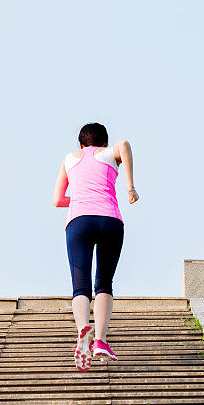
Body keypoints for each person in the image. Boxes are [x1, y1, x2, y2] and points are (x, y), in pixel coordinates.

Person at [52, 122, 139, 371]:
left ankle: (83, 331)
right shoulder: (108, 154)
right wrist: (130, 187)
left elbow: (58, 199)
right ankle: (100, 340)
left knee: (80, 286)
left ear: (80, 144)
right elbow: (123, 145)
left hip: (79, 222)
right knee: (104, 283)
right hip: (110, 220)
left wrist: (80, 197)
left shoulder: (69, 158)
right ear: (103, 143)